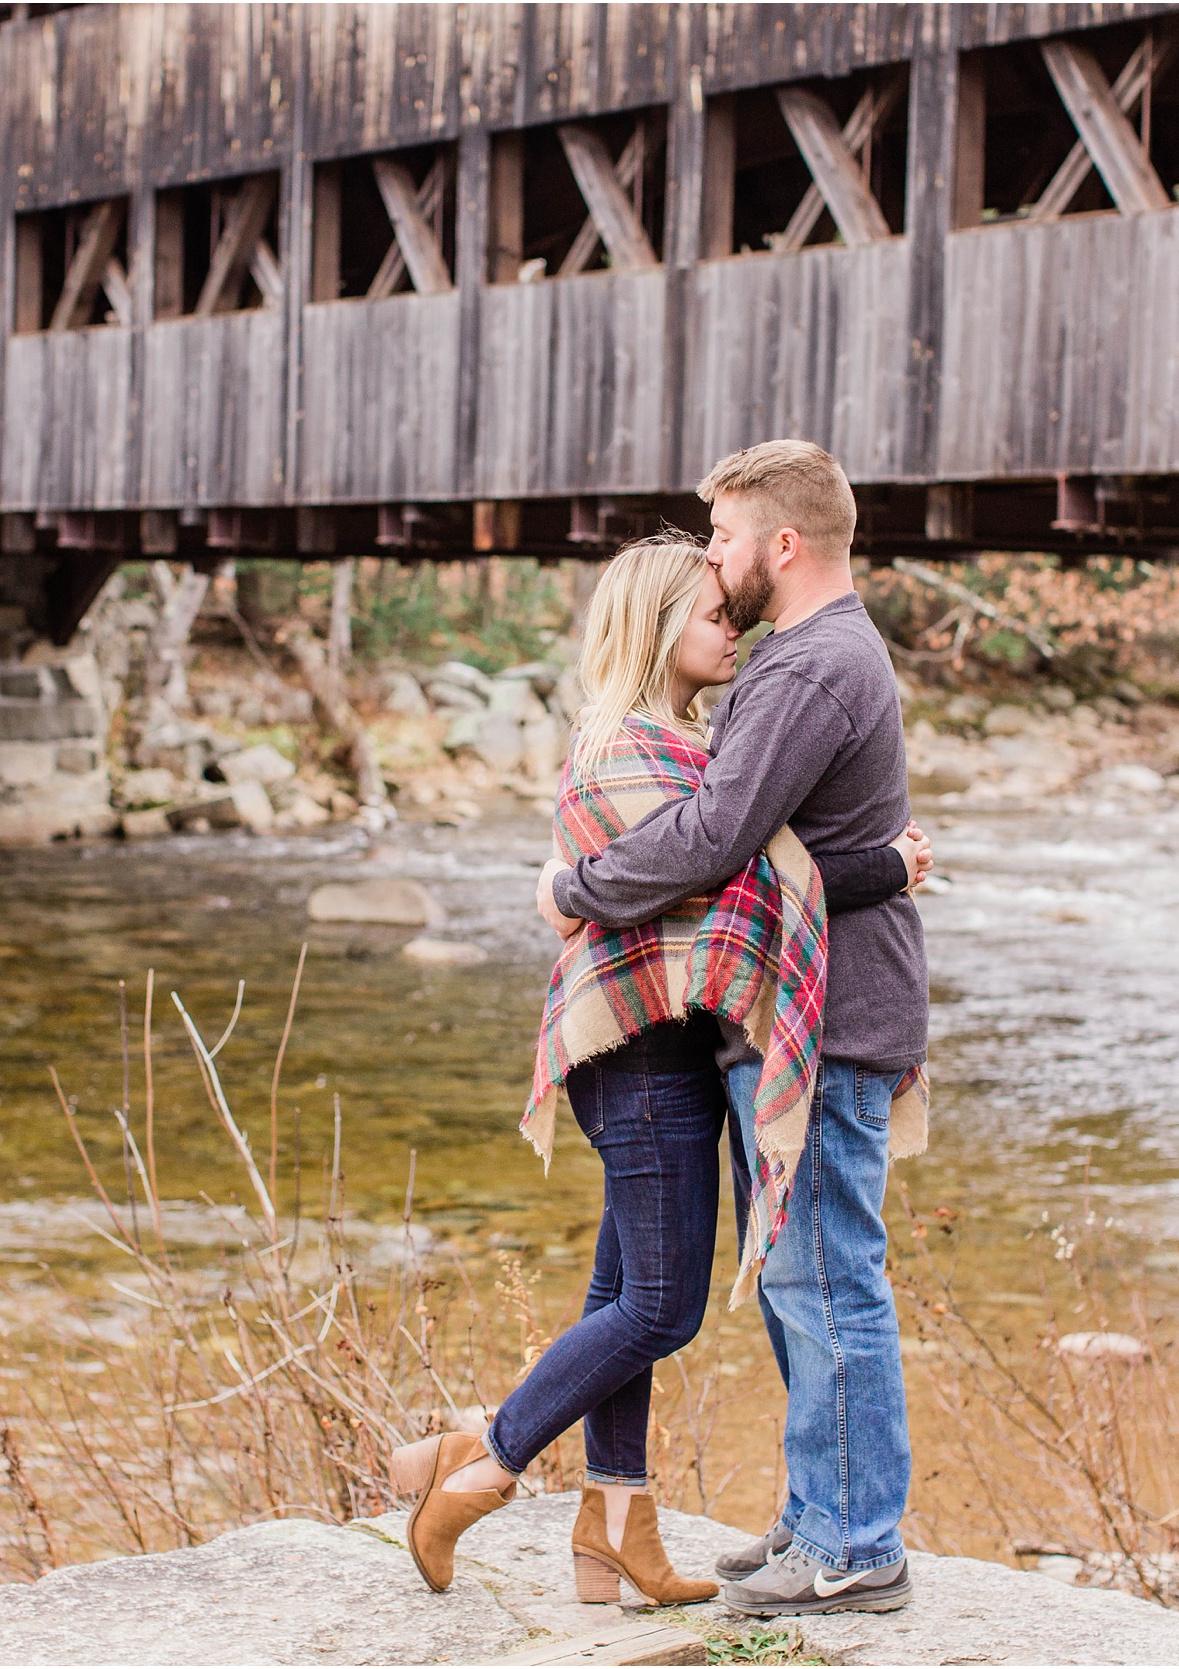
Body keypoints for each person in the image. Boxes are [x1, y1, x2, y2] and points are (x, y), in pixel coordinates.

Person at [388, 535, 930, 1605]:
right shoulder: (627, 744)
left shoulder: (690, 737)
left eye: (731, 614)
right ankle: (483, 1464)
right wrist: (884, 864)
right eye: (713, 615)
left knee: (618, 1290)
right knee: (663, 1309)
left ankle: (615, 1528)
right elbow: (725, 884)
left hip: (673, 1050)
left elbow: (731, 859)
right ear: (653, 627)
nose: (733, 627)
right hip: (637, 1059)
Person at [534, 440, 929, 1618]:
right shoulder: (806, 659)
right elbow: (768, 856)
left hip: (832, 1017)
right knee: (792, 1278)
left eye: (722, 540)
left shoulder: (807, 669)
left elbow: (715, 843)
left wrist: (575, 889)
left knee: (823, 1274)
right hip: (807, 1009)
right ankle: (819, 1518)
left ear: (783, 544)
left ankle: (857, 1545)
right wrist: (880, 866)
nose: (713, 560)